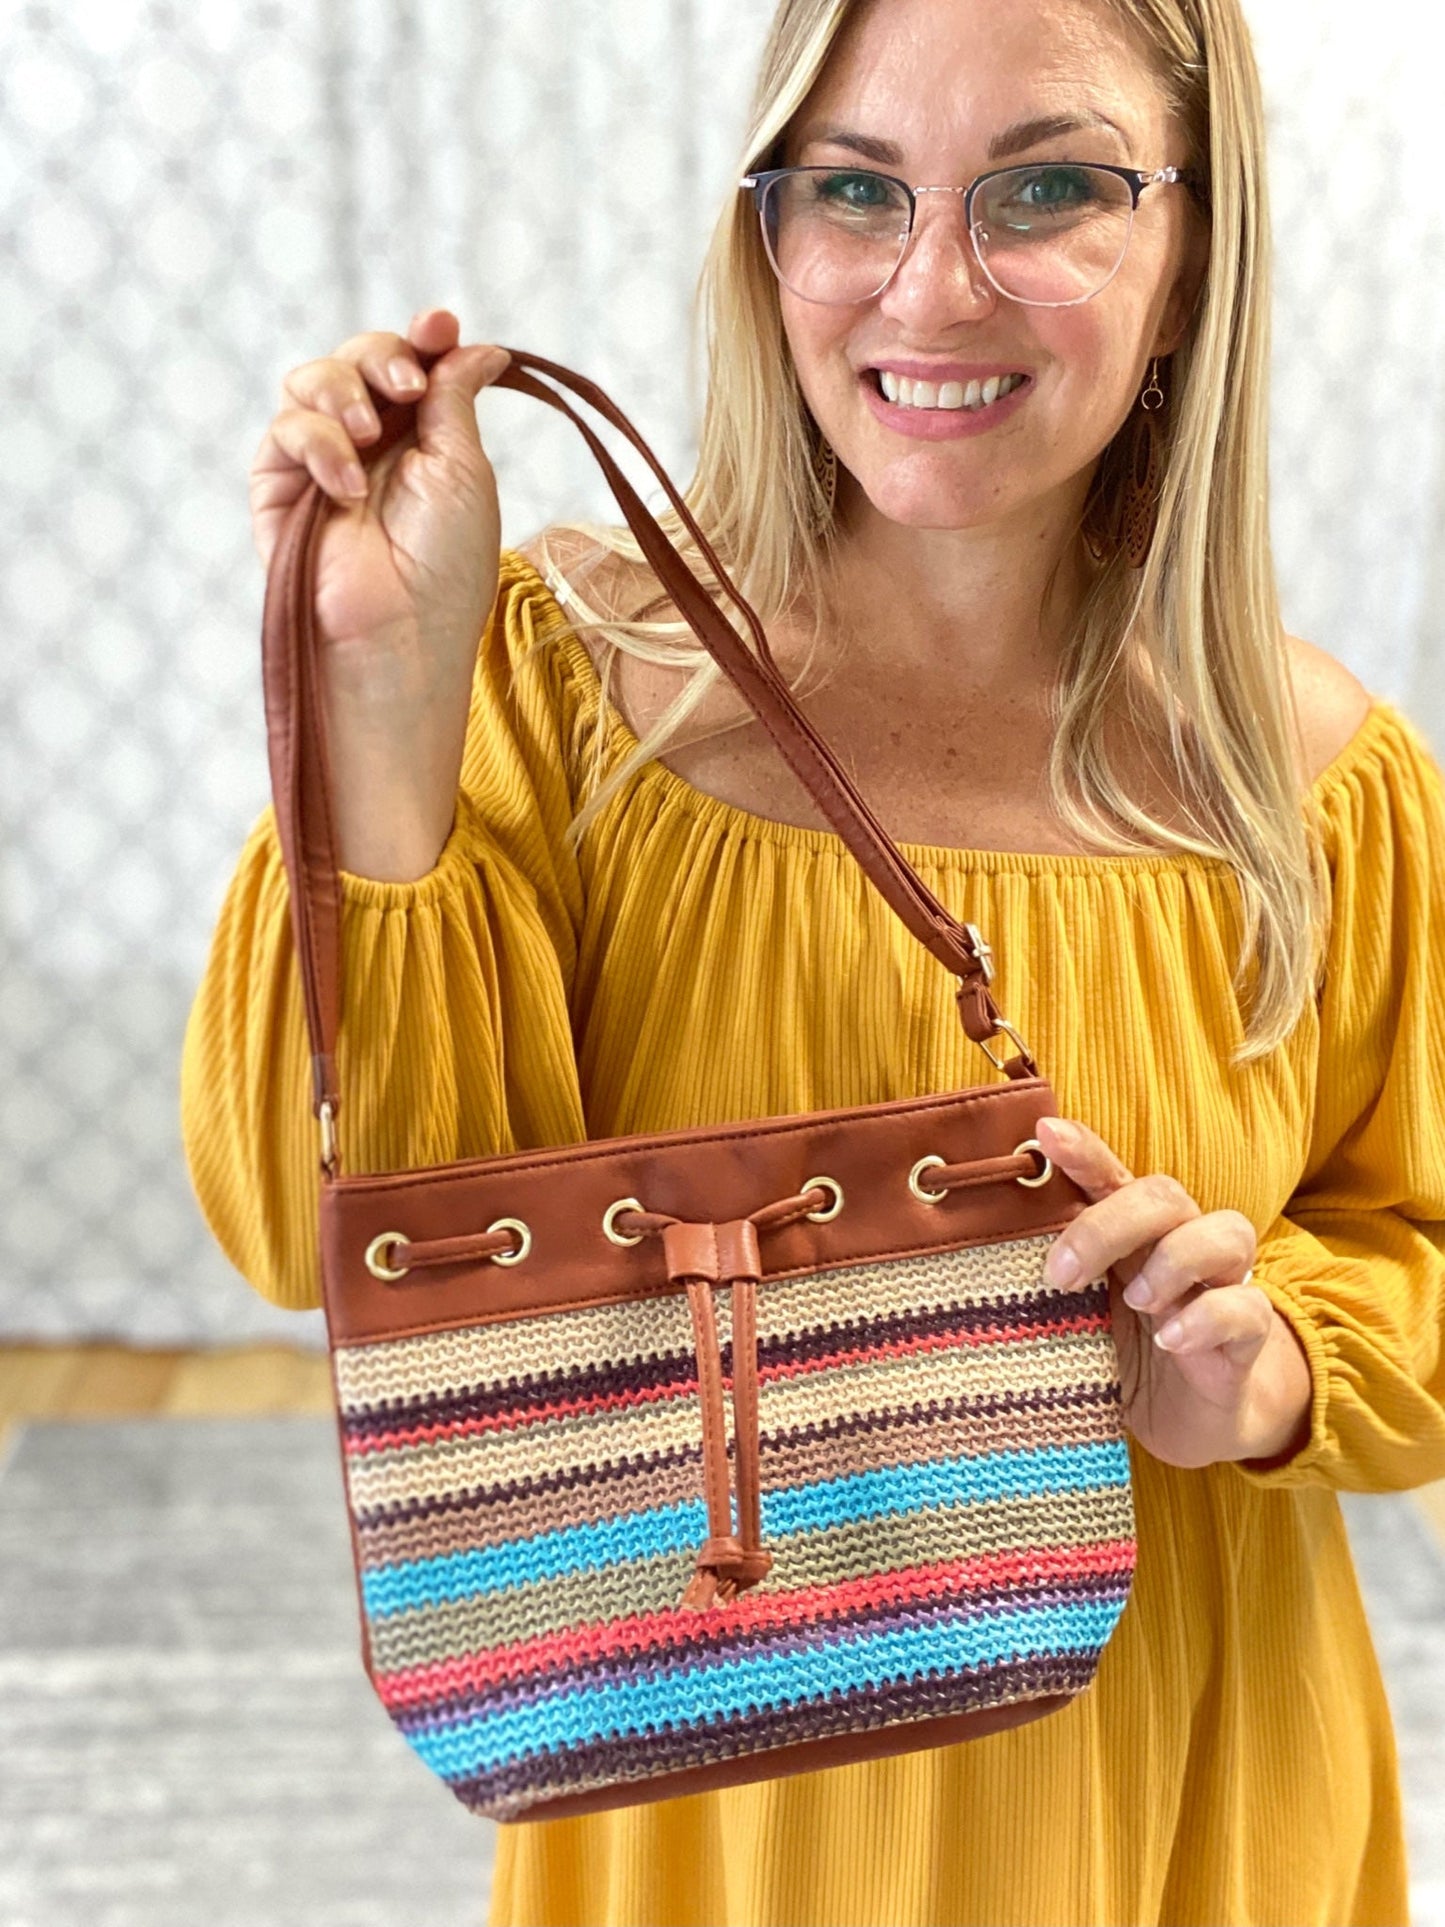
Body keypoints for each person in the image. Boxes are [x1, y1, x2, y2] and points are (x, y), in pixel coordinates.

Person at [182, 0, 1445, 1919]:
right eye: (853, 189)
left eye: (1048, 187)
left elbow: (1415, 1256)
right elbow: (316, 1228)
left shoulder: (1320, 793)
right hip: (708, 1833)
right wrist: (376, 691)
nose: (929, 288)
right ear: (767, 239)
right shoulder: (550, 687)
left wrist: (1268, 1368)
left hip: (1182, 1803)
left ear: (1192, 258)